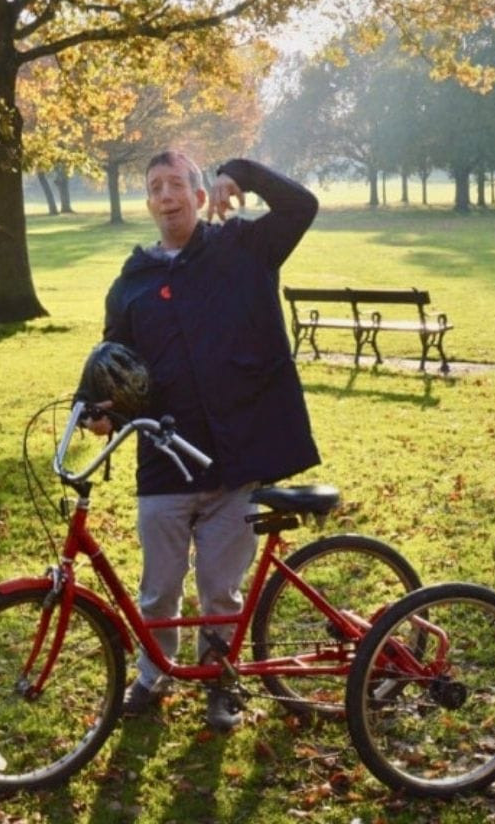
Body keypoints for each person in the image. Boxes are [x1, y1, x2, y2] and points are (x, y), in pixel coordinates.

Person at [87, 150, 320, 732]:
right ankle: (153, 675)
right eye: (155, 187)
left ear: (198, 195)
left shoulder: (244, 248)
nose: (166, 195)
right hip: (163, 461)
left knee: (220, 590)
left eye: (177, 184)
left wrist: (241, 170)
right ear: (149, 202)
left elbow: (301, 206)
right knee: (158, 589)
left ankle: (220, 679)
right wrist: (97, 409)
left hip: (235, 459)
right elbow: (113, 360)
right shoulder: (131, 282)